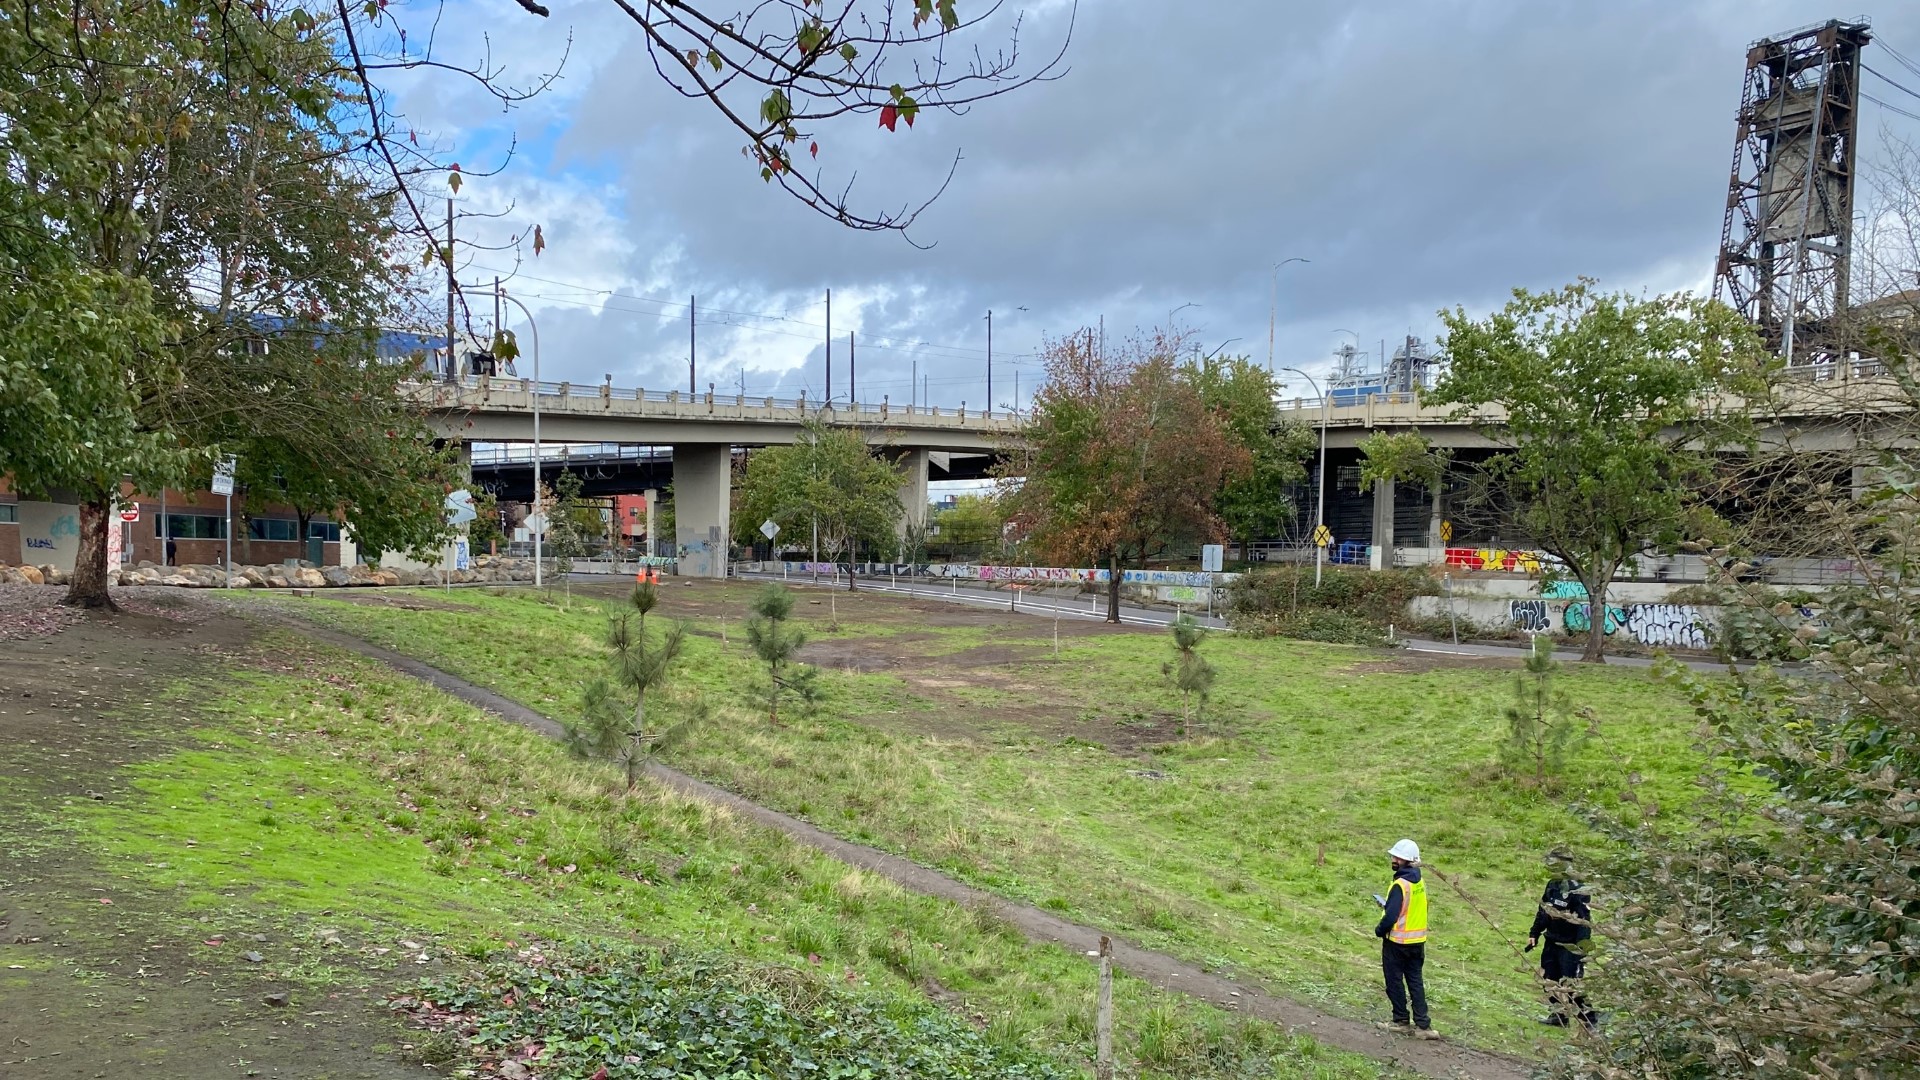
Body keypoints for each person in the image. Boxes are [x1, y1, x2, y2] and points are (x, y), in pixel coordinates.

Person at [1374, 838, 1440, 1040]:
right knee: (1415, 982)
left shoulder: (1400, 885)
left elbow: (1392, 916)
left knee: (1394, 982)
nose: (1394, 859)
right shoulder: (1419, 881)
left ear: (1407, 861)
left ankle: (1401, 1020)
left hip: (1397, 943)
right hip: (1417, 942)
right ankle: (1424, 1025)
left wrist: (1379, 929)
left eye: (1398, 857)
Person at [1526, 847, 1598, 1028]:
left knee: (1571, 984)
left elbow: (1584, 920)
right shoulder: (1552, 885)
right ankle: (1558, 1016)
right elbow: (1543, 910)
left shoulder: (1578, 890)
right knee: (1548, 980)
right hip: (1552, 941)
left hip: (1571, 945)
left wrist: (1581, 949)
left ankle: (1590, 1021)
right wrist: (1534, 933)